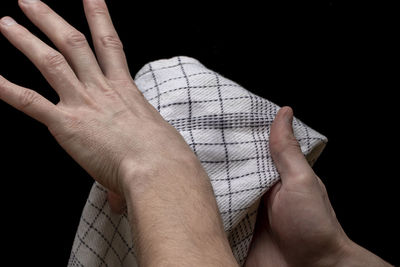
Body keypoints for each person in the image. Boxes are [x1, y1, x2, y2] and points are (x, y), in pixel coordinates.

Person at [0, 0, 394, 266]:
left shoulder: (159, 166)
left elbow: (160, 169)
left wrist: (159, 168)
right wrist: (331, 256)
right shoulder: (307, 249)